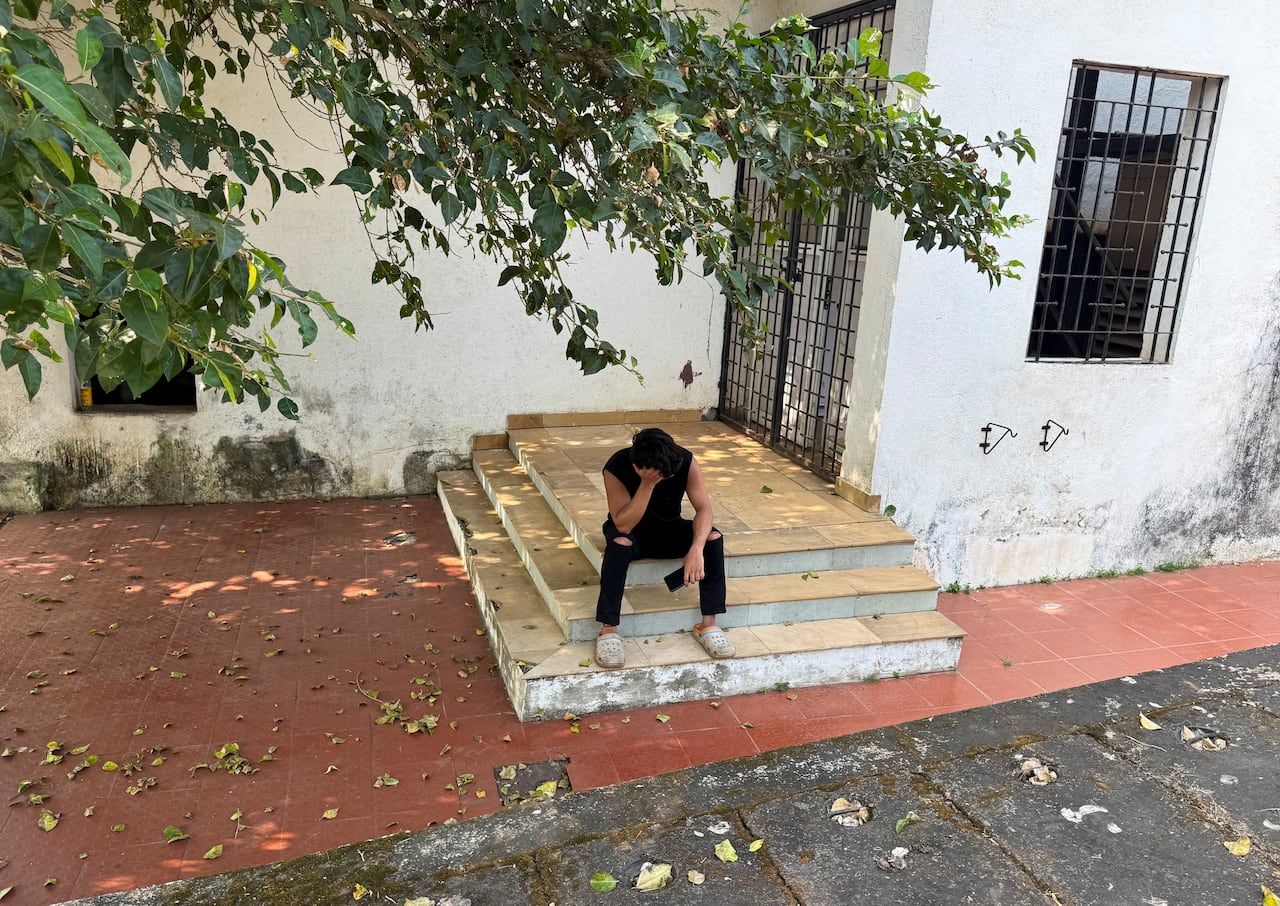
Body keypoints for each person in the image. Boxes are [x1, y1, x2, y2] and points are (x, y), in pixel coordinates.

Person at [594, 427, 735, 668]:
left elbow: (704, 509)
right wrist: (647, 483)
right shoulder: (616, 466)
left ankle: (708, 624)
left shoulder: (685, 460)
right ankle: (608, 630)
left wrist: (696, 548)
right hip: (632, 532)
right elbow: (623, 524)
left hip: (668, 529)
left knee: (712, 537)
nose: (666, 478)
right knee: (619, 543)